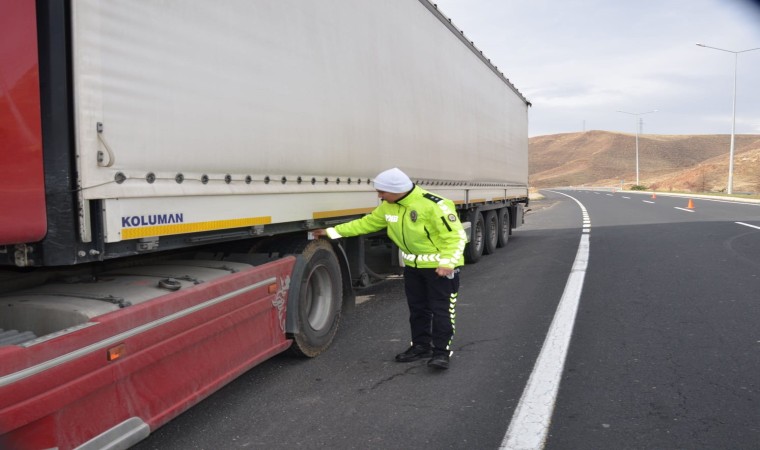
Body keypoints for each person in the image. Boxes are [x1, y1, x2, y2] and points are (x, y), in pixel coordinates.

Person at [312, 167, 466, 369]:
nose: (379, 196)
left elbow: (456, 237)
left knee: (442, 311)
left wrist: (448, 262)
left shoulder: (435, 205)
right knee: (418, 310)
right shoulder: (388, 207)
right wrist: (331, 232)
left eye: (382, 192)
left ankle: (441, 353)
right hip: (413, 268)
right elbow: (365, 224)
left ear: (397, 189)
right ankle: (421, 346)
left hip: (439, 269)